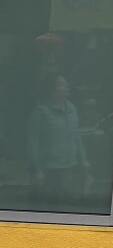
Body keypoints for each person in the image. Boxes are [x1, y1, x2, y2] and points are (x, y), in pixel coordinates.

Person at [27, 75, 90, 209]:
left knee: (70, 205)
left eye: (66, 84)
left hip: (71, 167)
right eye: (62, 84)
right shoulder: (40, 112)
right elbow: (33, 143)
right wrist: (37, 169)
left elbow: (76, 136)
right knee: (51, 207)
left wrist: (83, 160)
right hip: (50, 170)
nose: (67, 86)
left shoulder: (72, 109)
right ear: (52, 90)